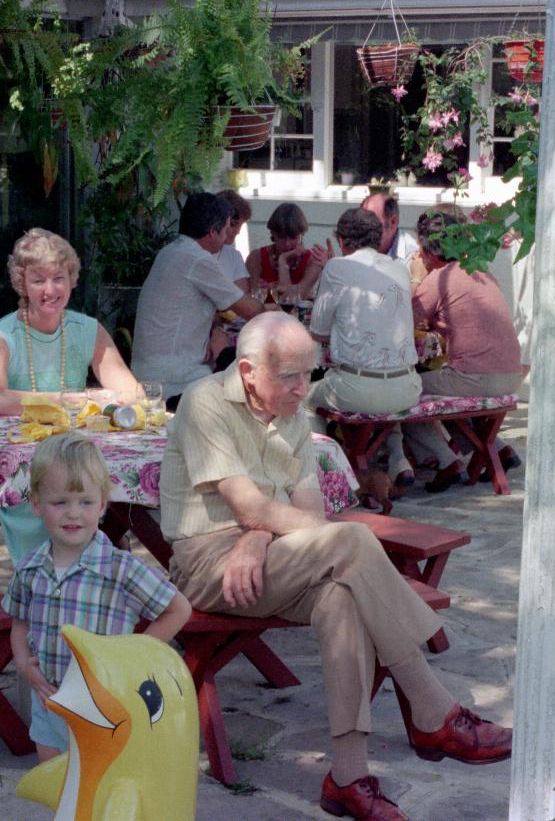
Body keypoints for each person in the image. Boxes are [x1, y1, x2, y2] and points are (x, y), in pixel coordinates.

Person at [160, 313, 511, 821]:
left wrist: (258, 536)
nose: (304, 389)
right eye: (290, 377)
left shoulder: (293, 414)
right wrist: (256, 526)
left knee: (340, 596)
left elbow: (311, 517)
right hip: (207, 564)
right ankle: (433, 708)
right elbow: (255, 507)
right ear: (247, 370)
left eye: (309, 374)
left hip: (273, 556)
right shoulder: (204, 403)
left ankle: (347, 777)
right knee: (352, 538)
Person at [4, 432, 192, 761]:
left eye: (85, 502)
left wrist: (132, 658)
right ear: (36, 504)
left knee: (101, 790)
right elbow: (19, 621)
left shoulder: (120, 568)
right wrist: (22, 663)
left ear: (103, 505)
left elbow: (178, 609)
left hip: (104, 705)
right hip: (49, 701)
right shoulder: (30, 568)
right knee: (59, 791)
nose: (73, 513)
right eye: (60, 502)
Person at [0, 228, 142, 563]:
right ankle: (51, 578)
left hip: (82, 454)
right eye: (38, 280)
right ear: (21, 283)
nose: (50, 290)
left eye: (59, 278)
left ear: (72, 279)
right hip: (27, 463)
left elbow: (133, 392)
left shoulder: (86, 328)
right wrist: (74, 400)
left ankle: (102, 566)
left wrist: (98, 399)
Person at [406, 210, 527, 492]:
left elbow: (404, 321)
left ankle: (447, 461)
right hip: (510, 375)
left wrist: (415, 278)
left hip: (476, 378)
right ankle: (497, 449)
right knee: (446, 384)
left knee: (402, 391)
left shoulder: (441, 279)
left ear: (428, 250)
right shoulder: (480, 270)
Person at [307, 208, 419, 484]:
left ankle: (327, 475)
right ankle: (398, 460)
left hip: (357, 389)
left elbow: (318, 331)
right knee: (380, 390)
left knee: (302, 400)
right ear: (378, 238)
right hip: (408, 388)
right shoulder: (399, 268)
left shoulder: (336, 267)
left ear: (342, 240)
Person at [132, 192, 265, 406]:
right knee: (255, 377)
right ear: (213, 232)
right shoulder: (198, 259)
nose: (227, 238)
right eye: (226, 229)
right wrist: (277, 311)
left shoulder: (171, 251)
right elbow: (251, 310)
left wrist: (215, 330)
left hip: (150, 373)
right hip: (174, 382)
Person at [244, 202, 331, 302]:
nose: (287, 244)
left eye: (293, 237)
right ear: (273, 233)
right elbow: (250, 298)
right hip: (263, 317)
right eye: (282, 237)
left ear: (302, 235)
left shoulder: (312, 260)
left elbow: (290, 300)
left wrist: (283, 260)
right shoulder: (256, 257)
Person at [361, 191, 418, 271]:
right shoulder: (358, 248)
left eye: (372, 223)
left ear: (393, 222)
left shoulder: (413, 257)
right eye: (362, 223)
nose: (364, 229)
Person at [216, 189, 252, 294]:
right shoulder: (197, 252)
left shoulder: (234, 256)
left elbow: (242, 297)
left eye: (240, 225)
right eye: (233, 224)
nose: (237, 231)